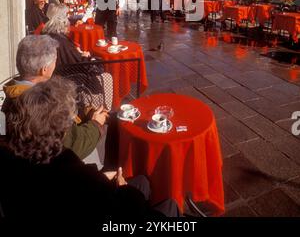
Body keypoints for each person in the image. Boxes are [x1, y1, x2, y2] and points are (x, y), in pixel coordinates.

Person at [0, 78, 180, 227]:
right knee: (169, 205)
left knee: (142, 182)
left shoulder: (12, 157)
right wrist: (122, 188)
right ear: (62, 129)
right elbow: (117, 207)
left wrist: (100, 178)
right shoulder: (73, 173)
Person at [1, 35, 108, 161]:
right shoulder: (41, 106)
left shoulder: (12, 92)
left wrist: (83, 113)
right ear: (44, 69)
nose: (56, 64)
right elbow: (72, 146)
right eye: (55, 60)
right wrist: (96, 125)